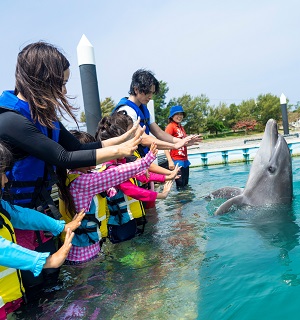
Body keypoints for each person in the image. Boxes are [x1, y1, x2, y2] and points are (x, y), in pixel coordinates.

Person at [0, 41, 143, 297]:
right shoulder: (10, 120)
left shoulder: (44, 115)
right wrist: (120, 152)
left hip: (39, 211)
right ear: (42, 79)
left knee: (52, 281)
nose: (65, 90)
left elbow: (77, 146)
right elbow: (65, 157)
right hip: (15, 216)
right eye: (61, 82)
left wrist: (124, 138)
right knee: (30, 289)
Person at [0, 142, 85, 320]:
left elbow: (21, 215)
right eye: (2, 173)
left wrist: (61, 226)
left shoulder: (1, 205)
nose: (6, 180)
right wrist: (47, 260)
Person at [57, 130, 158, 263]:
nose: (96, 155)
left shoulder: (72, 177)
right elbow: (116, 174)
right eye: (91, 152)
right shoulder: (82, 182)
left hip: (82, 248)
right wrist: (145, 161)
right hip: (82, 255)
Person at [95, 112, 177, 242]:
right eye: (130, 137)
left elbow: (142, 176)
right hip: (120, 224)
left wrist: (167, 177)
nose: (134, 141)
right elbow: (132, 190)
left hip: (129, 219)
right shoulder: (111, 169)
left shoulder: (121, 162)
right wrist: (161, 195)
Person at [113, 69, 202, 155]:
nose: (150, 96)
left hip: (141, 159)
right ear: (136, 89)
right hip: (127, 161)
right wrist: (174, 146)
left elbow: (159, 132)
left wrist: (183, 141)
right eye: (148, 92)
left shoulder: (143, 109)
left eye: (152, 93)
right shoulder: (127, 111)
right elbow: (143, 139)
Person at [164, 105, 191, 188]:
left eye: (181, 114)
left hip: (184, 160)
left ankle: (187, 200)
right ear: (172, 116)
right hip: (176, 160)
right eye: (177, 114)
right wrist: (170, 161)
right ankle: (179, 201)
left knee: (185, 184)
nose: (179, 116)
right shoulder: (170, 127)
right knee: (180, 185)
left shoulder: (181, 127)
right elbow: (165, 144)